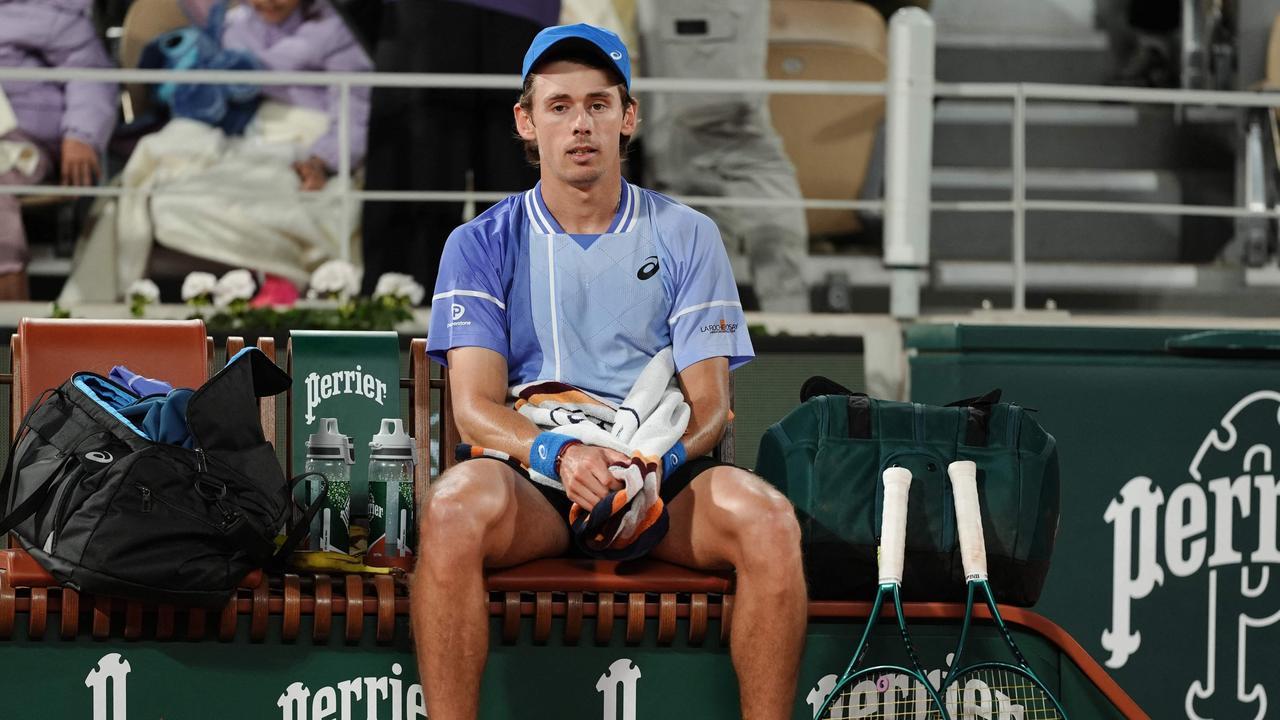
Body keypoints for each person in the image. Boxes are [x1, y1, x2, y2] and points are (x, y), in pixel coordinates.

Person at [414, 23, 806, 720]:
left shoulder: (688, 234)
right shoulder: (479, 242)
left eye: (599, 104)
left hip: (659, 481)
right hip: (534, 480)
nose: (580, 124)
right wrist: (562, 455)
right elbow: (474, 409)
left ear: (628, 118)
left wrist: (654, 464)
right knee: (449, 512)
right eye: (559, 106)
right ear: (526, 122)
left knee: (770, 521)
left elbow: (712, 406)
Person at [58, 0, 373, 305]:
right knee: (162, 173)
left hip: (309, 137)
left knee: (281, 194)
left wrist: (323, 160)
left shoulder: (334, 29)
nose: (270, 1)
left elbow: (354, 110)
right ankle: (104, 301)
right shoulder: (232, 24)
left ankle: (278, 275)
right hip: (248, 135)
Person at [359, 0, 558, 297]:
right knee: (500, 164)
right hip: (516, 18)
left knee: (431, 167)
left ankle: (402, 297)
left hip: (462, 22)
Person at [636, 0, 811, 313]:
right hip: (678, 149)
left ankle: (794, 343)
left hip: (736, 138)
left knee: (782, 265)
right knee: (699, 288)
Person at [0, 0, 117, 300]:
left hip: (22, 141)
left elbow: (90, 75)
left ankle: (7, 332)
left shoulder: (53, 12)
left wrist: (82, 133)